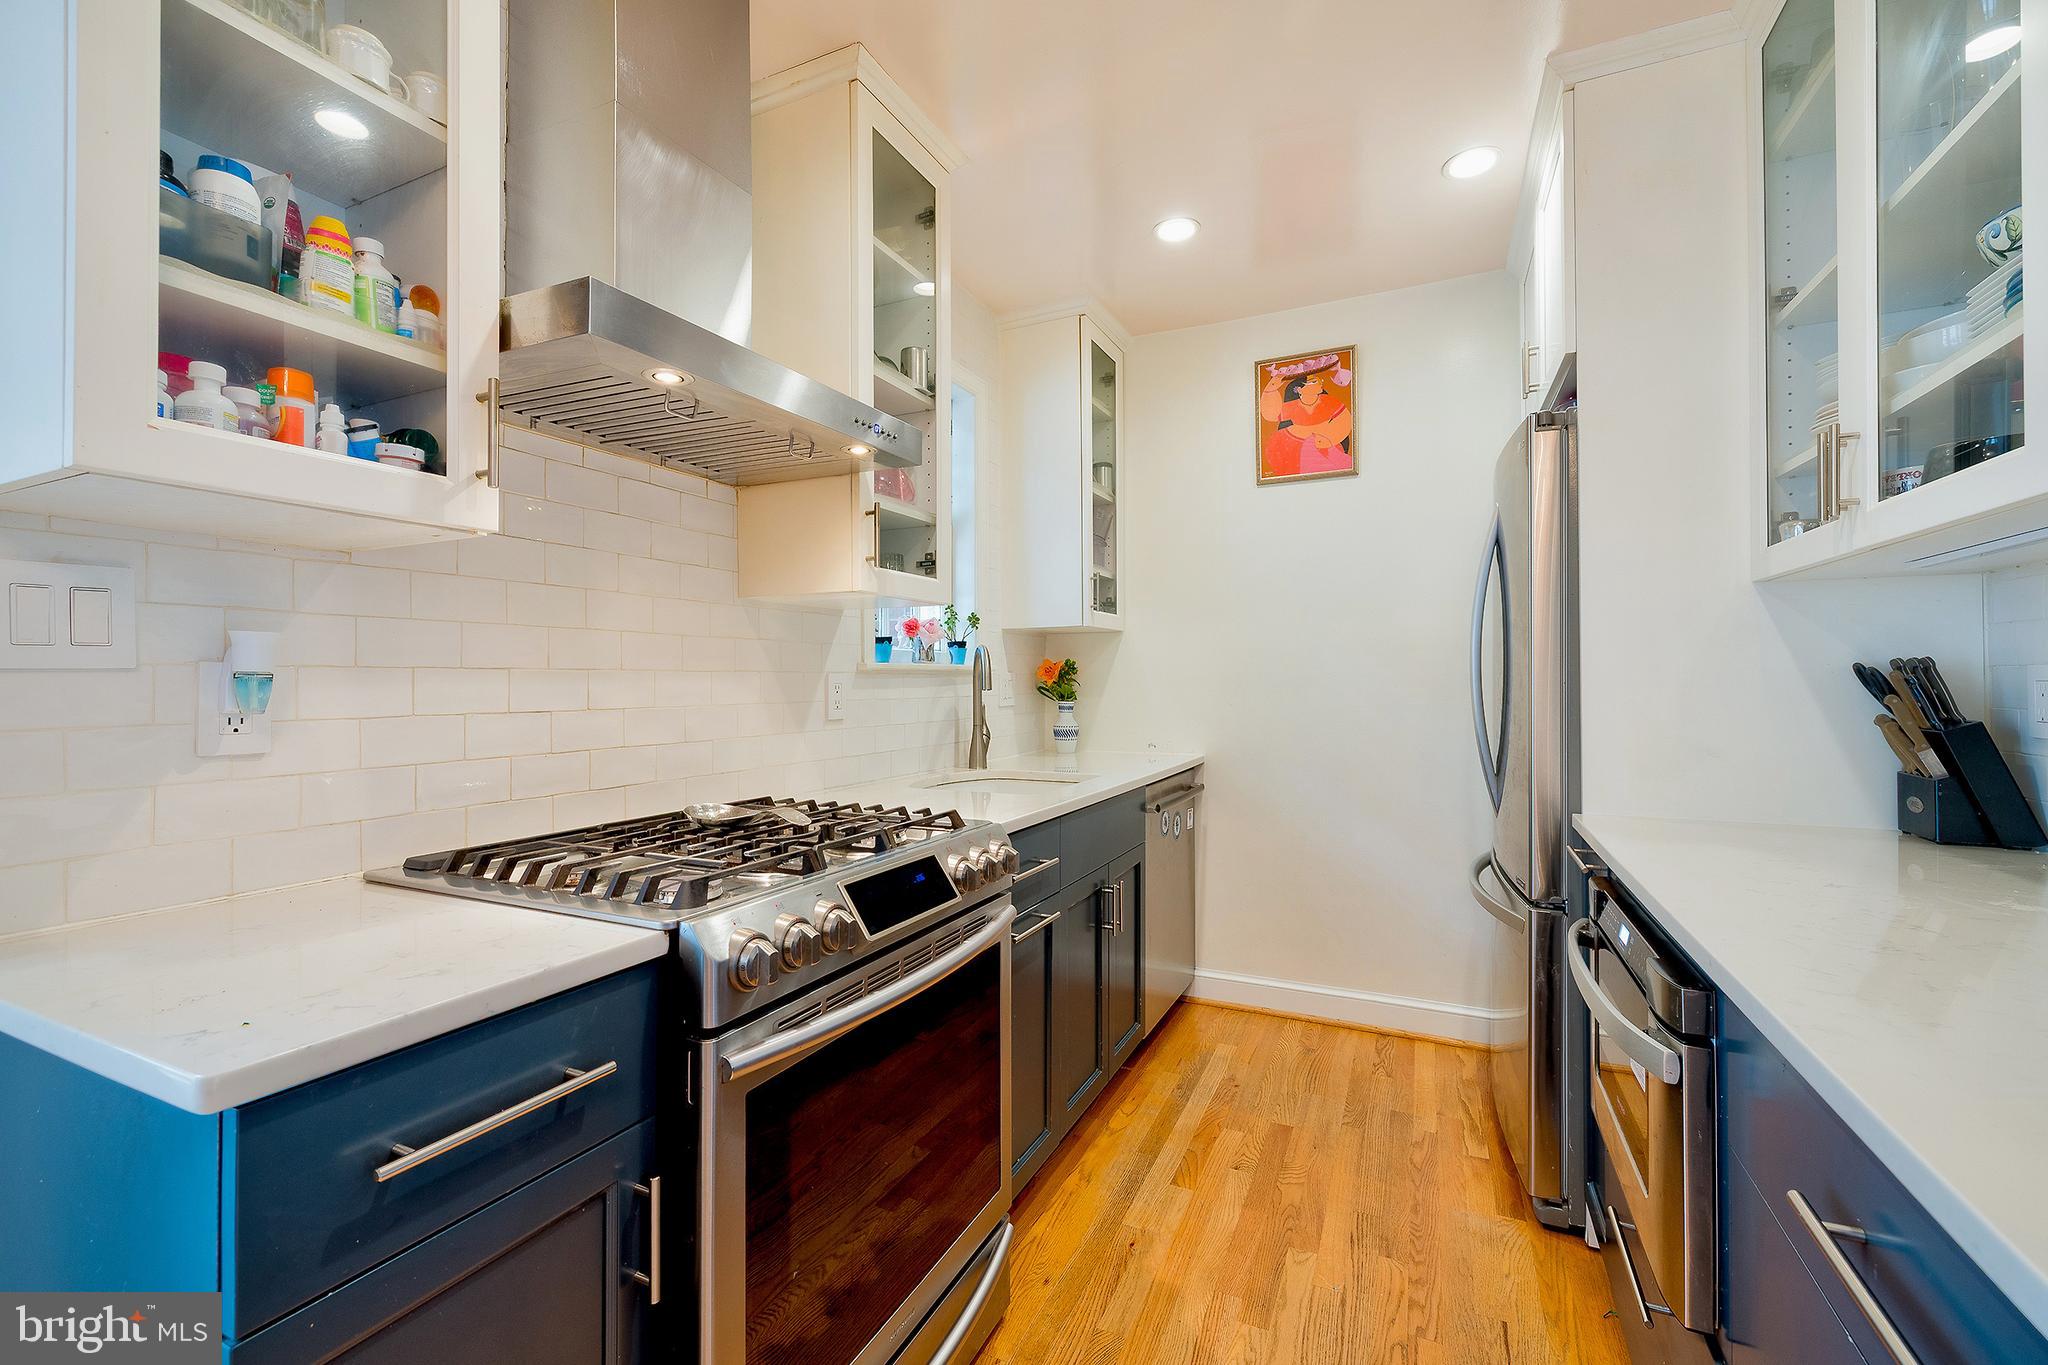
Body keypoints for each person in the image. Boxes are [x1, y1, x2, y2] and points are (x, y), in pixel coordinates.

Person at [1259, 366, 1353, 478]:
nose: (1320, 383)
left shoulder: (1328, 401)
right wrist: (1271, 388)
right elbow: (1271, 415)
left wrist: (1329, 439)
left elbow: (1345, 420)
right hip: (1293, 445)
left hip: (1324, 443)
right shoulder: (1293, 406)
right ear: (1299, 389)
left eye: (1319, 380)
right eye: (1314, 382)